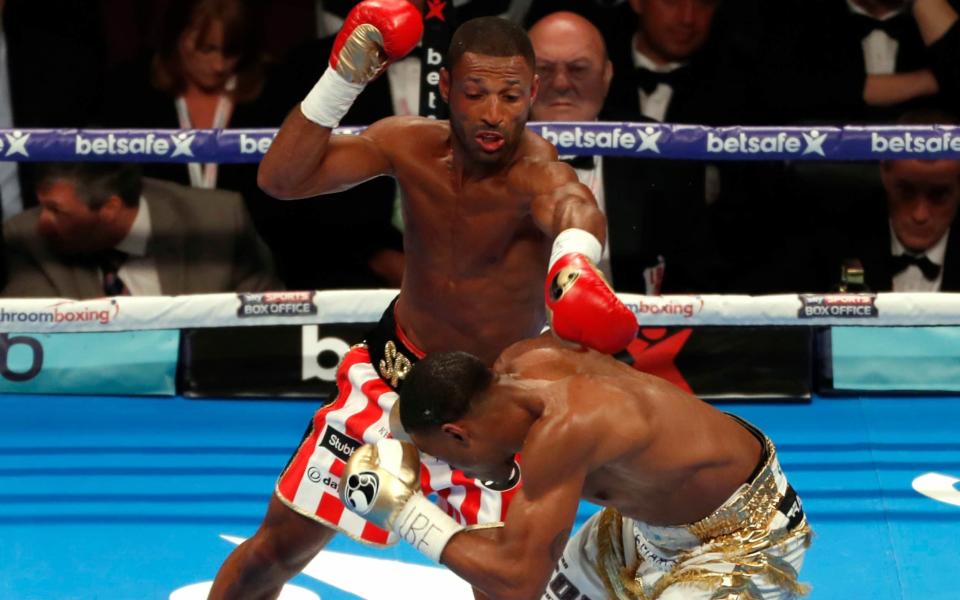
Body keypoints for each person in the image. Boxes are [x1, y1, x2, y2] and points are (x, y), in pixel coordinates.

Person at [208, 3, 638, 598]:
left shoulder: (537, 172)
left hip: (496, 404)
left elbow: (574, 207)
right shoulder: (408, 146)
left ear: (532, 92)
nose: (493, 114)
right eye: (476, 93)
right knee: (274, 551)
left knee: (505, 584)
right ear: (445, 88)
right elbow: (282, 179)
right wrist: (345, 77)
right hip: (393, 378)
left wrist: (571, 265)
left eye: (511, 97)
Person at [341, 333, 813, 599]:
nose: (454, 469)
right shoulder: (522, 361)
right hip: (646, 527)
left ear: (458, 432)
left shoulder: (565, 431)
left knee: (511, 577)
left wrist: (403, 512)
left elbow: (517, 580)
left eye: (447, 457)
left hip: (740, 534)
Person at [528, 11, 717, 294]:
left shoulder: (659, 151)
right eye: (544, 69)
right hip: (514, 333)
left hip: (636, 331)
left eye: (578, 69)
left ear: (607, 76)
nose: (561, 83)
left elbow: (693, 279)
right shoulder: (488, 153)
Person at [1, 162, 280, 298]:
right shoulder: (26, 237)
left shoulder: (216, 220)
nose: (42, 221)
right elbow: (32, 334)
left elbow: (267, 316)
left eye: (56, 210)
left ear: (110, 209)